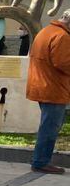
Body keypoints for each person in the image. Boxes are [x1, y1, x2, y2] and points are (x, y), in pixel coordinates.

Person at [25, 10, 70, 174]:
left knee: (47, 126)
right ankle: (41, 162)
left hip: (43, 85)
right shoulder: (62, 36)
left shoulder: (47, 31)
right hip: (54, 89)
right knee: (50, 128)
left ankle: (39, 159)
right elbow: (64, 63)